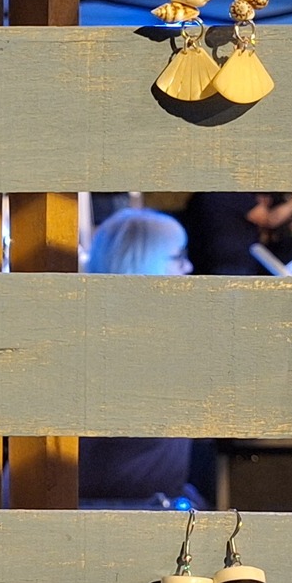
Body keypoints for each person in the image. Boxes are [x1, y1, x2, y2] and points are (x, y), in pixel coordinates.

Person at [80, 209, 199, 505]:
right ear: (144, 262)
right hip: (114, 512)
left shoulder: (95, 328)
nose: (188, 267)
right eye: (178, 257)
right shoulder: (140, 343)